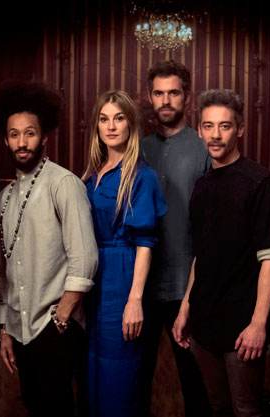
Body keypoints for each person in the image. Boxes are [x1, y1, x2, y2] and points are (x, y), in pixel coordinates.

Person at [173, 89, 270, 417]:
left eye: (224, 126)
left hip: (242, 327)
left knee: (246, 410)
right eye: (208, 126)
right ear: (200, 130)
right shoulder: (202, 185)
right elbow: (201, 255)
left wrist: (259, 325)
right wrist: (185, 308)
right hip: (203, 323)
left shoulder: (261, 183)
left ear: (240, 129)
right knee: (217, 407)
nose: (216, 134)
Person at [0, 81, 98, 417]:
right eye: (14, 135)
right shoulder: (4, 198)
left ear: (44, 137)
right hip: (19, 328)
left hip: (55, 325)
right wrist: (5, 328)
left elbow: (85, 255)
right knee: (34, 406)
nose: (22, 142)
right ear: (6, 139)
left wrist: (64, 311)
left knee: (58, 408)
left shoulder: (63, 183)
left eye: (30, 133)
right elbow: (6, 268)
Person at [82, 90, 167, 417]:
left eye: (119, 118)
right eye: (104, 119)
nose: (111, 126)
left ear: (130, 124)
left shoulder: (141, 175)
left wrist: (135, 299)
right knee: (92, 367)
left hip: (122, 276)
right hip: (92, 279)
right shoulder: (92, 174)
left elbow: (145, 242)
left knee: (119, 371)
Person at [138, 60, 211, 417]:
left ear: (187, 97)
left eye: (174, 93)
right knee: (137, 381)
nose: (166, 101)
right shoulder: (137, 148)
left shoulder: (204, 147)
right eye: (159, 93)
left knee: (195, 384)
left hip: (188, 287)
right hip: (141, 287)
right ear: (149, 97)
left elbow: (214, 227)